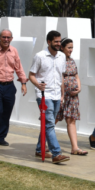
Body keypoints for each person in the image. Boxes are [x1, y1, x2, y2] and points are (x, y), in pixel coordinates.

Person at [28, 30, 70, 164]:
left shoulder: (62, 57)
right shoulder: (40, 56)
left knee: (48, 123)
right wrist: (38, 85)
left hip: (57, 95)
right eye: (56, 41)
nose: (59, 44)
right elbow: (31, 75)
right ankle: (56, 154)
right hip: (44, 95)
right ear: (49, 42)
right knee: (50, 123)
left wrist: (63, 94)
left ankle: (40, 149)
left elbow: (61, 76)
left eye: (60, 41)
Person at [56, 38, 86, 156]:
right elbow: (60, 77)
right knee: (53, 119)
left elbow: (76, 75)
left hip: (73, 97)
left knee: (71, 120)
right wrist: (63, 94)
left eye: (72, 47)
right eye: (69, 47)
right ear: (62, 47)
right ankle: (42, 144)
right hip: (60, 96)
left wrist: (79, 87)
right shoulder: (58, 60)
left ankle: (75, 148)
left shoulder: (72, 61)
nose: (71, 50)